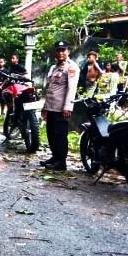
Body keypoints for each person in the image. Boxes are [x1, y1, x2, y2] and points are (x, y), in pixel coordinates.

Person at [40, 41, 80, 171]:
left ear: (68, 51)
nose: (61, 53)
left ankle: (61, 162)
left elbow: (71, 88)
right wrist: (45, 108)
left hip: (62, 108)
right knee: (51, 133)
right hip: (51, 106)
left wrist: (68, 107)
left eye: (63, 50)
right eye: (58, 50)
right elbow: (51, 89)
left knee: (60, 135)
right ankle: (55, 157)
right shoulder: (54, 67)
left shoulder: (71, 67)